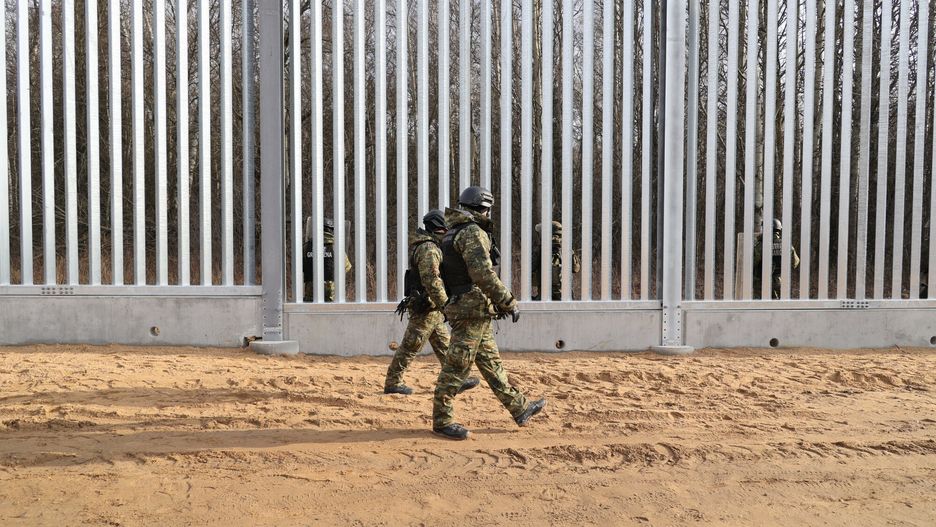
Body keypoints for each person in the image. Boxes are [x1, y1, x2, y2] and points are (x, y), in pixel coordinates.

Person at [432, 186, 547, 440]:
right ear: (483, 208)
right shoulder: (472, 232)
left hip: (472, 309)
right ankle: (442, 420)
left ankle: (520, 407)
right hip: (470, 309)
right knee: (456, 366)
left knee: (491, 364)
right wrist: (507, 301)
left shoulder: (454, 231)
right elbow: (482, 273)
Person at [384, 210, 480, 395]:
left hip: (432, 307)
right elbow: (432, 282)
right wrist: (446, 305)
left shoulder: (430, 246)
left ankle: (456, 380)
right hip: (426, 307)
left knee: (445, 345)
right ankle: (393, 382)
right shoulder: (429, 249)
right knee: (411, 346)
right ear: (439, 227)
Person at [303, 217, 351, 302]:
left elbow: (299, 267)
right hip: (331, 293)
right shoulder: (336, 247)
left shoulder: (306, 247)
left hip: (311, 292)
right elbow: (347, 267)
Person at [531, 220, 581, 300]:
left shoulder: (541, 249)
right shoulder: (566, 248)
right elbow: (576, 269)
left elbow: (531, 268)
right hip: (565, 296)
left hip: (545, 296)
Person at [753, 219, 800, 299]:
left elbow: (753, 263)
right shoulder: (786, 245)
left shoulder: (760, 246)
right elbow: (795, 263)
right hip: (780, 281)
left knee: (761, 307)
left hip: (762, 282)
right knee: (779, 306)